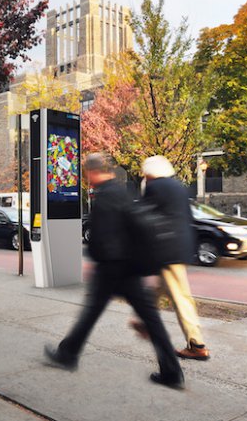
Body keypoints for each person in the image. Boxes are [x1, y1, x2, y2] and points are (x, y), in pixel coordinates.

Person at [44, 153, 184, 389]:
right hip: (129, 267)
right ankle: (171, 371)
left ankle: (67, 354)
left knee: (91, 313)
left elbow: (104, 236)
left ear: (92, 172)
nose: (87, 178)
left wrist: (96, 259)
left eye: (87, 173)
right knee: (150, 319)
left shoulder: (105, 196)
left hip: (112, 268)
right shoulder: (121, 191)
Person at [130, 155, 210, 361]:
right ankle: (143, 319)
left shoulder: (154, 187)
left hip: (166, 250)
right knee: (159, 288)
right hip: (179, 249)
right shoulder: (179, 188)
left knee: (181, 297)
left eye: (145, 173)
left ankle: (197, 344)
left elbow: (143, 217)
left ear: (151, 173)